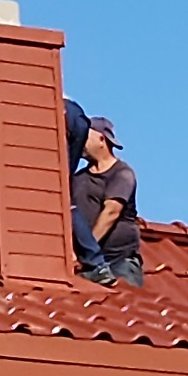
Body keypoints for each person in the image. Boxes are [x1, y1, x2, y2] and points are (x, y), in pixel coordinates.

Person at [73, 116, 142, 287]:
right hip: (90, 266)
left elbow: (111, 212)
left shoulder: (122, 173)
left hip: (119, 264)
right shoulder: (78, 178)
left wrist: (85, 248)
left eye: (85, 136)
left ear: (101, 139)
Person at [64, 98, 117, 285]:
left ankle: (95, 264)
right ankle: (96, 263)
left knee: (60, 197)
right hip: (74, 112)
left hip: (61, 112)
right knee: (63, 196)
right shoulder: (82, 177)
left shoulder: (121, 173)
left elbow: (112, 210)